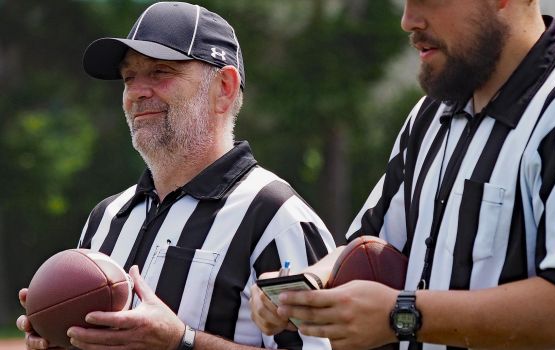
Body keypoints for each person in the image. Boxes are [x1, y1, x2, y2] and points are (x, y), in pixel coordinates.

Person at [250, 0, 555, 349]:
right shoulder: (432, 114)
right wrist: (307, 284)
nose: (408, 21)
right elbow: (374, 241)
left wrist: (403, 314)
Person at [16, 2, 338, 349]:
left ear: (224, 88)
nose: (137, 92)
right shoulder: (107, 217)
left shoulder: (277, 217)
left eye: (160, 72)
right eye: (129, 78)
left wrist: (182, 341)